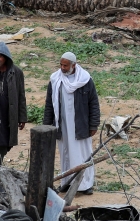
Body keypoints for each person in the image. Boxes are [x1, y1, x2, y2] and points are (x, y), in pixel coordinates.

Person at [43, 51, 100, 195]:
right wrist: (47, 125)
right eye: (61, 65)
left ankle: (85, 185)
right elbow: (49, 104)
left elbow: (93, 103)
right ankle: (67, 182)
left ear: (73, 65)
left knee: (83, 154)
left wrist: (93, 125)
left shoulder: (85, 80)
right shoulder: (55, 79)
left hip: (80, 126)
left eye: (65, 65)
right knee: (66, 154)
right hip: (62, 126)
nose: (62, 68)